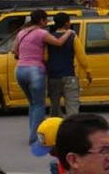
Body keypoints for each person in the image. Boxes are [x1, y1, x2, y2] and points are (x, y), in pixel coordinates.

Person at [13, 11, 73, 146]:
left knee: (33, 104)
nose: (47, 22)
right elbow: (59, 42)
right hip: (34, 70)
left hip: (19, 70)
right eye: (46, 20)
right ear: (41, 21)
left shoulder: (21, 33)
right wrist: (69, 32)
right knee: (39, 105)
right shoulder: (41, 33)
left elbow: (14, 51)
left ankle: (33, 134)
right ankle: (35, 138)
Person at [45, 13, 91, 118]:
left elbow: (45, 57)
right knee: (72, 107)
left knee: (55, 107)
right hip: (69, 75)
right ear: (66, 23)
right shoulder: (72, 37)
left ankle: (56, 126)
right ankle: (73, 126)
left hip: (53, 77)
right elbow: (81, 57)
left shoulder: (49, 38)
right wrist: (88, 71)